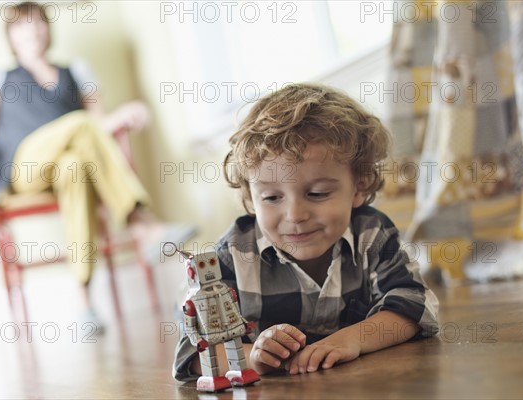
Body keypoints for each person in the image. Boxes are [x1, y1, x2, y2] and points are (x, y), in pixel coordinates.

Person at [173, 83, 439, 380]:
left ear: (359, 185)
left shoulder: (371, 234)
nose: (296, 215)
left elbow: (414, 305)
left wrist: (353, 339)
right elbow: (192, 352)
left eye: (318, 193)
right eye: (272, 198)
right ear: (250, 196)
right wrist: (253, 357)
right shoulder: (231, 256)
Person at [0, 2, 169, 328]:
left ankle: (84, 304)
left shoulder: (77, 72)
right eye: (22, 26)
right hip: (23, 169)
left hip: (66, 168)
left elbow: (101, 122)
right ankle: (137, 219)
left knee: (74, 166)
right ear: (11, 36)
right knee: (80, 123)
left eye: (38, 23)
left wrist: (125, 112)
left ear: (48, 28)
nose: (31, 31)